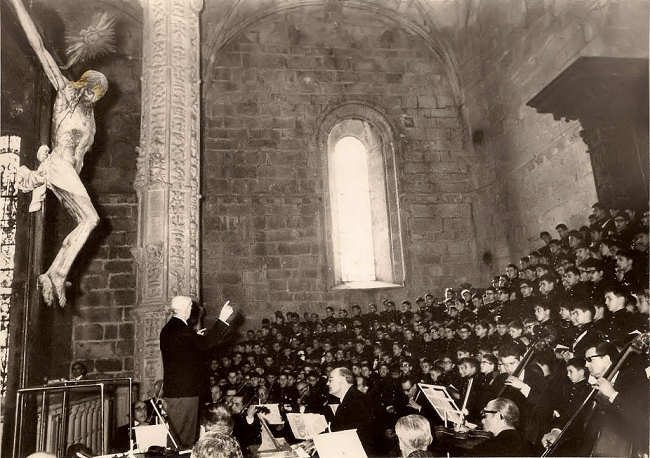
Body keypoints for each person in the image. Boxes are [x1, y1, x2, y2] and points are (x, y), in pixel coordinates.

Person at [10, 0, 107, 307]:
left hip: (66, 172)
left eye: (99, 95)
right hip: (58, 166)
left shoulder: (90, 118)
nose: (96, 97)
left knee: (86, 221)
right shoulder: (66, 93)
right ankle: (55, 273)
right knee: (91, 220)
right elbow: (38, 47)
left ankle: (54, 272)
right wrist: (17, 5)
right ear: (86, 85)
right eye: (94, 91)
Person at [160, 296, 235, 447]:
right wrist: (222, 319)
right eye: (190, 308)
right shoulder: (180, 329)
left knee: (178, 438)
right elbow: (206, 344)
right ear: (186, 309)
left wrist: (195, 340)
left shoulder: (173, 328)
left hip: (180, 392)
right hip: (183, 393)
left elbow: (186, 352)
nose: (191, 311)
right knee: (182, 441)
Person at [326, 366, 375, 454]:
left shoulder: (357, 399)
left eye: (331, 380)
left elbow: (361, 433)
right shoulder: (349, 398)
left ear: (344, 379)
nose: (327, 384)